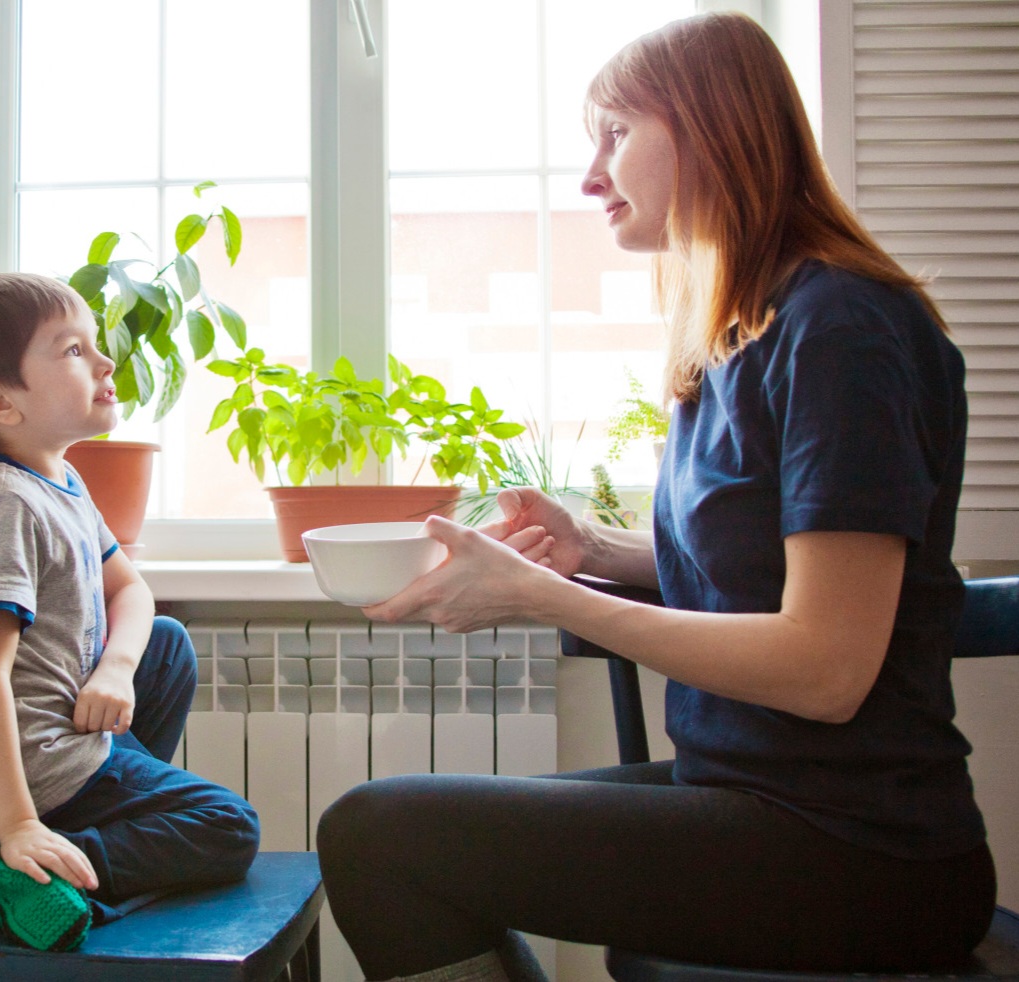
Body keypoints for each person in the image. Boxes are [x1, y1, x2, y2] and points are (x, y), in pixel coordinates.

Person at [315, 11, 995, 982]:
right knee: (385, 834)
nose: (591, 175)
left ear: (713, 127)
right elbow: (755, 565)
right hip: (750, 789)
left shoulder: (843, 328)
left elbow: (826, 663)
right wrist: (591, 546)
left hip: (859, 846)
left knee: (383, 836)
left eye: (616, 133)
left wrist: (547, 595)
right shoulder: (739, 336)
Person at [0, 272, 260, 951]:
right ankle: (50, 869)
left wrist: (116, 671)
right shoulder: (2, 502)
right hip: (30, 773)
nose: (104, 362)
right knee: (228, 824)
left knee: (161, 644)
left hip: (64, 743)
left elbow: (130, 591)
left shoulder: (61, 484)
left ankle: (78, 835)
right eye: (72, 350)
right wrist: (15, 825)